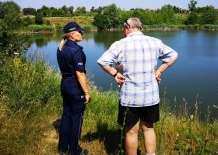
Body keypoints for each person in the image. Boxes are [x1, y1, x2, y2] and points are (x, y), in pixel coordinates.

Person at [97, 17, 178, 155]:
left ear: (127, 27)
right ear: (140, 28)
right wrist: (159, 70)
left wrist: (115, 73)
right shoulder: (155, 42)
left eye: (124, 29)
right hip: (150, 96)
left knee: (131, 132)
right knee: (148, 129)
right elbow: (173, 55)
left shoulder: (120, 44)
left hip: (130, 97)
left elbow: (103, 61)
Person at [57, 21, 91, 155]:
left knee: (66, 116)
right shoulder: (76, 51)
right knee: (76, 119)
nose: (81, 33)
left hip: (65, 85)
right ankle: (75, 150)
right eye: (79, 31)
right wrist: (86, 92)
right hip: (75, 89)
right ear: (72, 35)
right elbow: (80, 73)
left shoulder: (61, 48)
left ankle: (62, 148)